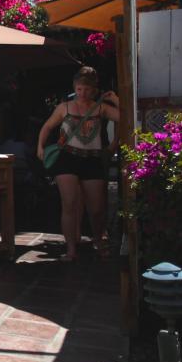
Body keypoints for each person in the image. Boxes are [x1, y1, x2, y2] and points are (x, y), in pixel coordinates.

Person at [37, 67, 120, 261]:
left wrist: (115, 100)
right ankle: (71, 249)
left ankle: (98, 240)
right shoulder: (64, 107)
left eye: (88, 90)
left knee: (97, 207)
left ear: (94, 90)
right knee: (69, 204)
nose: (83, 93)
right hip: (67, 158)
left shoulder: (101, 107)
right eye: (80, 89)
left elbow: (125, 117)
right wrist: (40, 146)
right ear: (75, 87)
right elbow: (47, 126)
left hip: (92, 158)